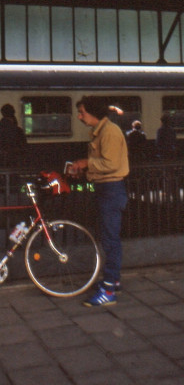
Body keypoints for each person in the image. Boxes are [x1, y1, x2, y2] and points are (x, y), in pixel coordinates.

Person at [71, 96, 129, 307]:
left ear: (94, 112)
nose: (79, 116)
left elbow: (111, 164)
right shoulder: (101, 131)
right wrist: (85, 169)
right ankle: (112, 280)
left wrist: (86, 162)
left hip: (111, 190)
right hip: (106, 189)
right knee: (109, 238)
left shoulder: (109, 132)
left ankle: (109, 291)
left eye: (82, 112)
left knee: (110, 240)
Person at [0, 104, 27, 168]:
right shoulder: (18, 130)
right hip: (13, 160)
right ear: (13, 113)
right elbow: (23, 145)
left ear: (2, 113)